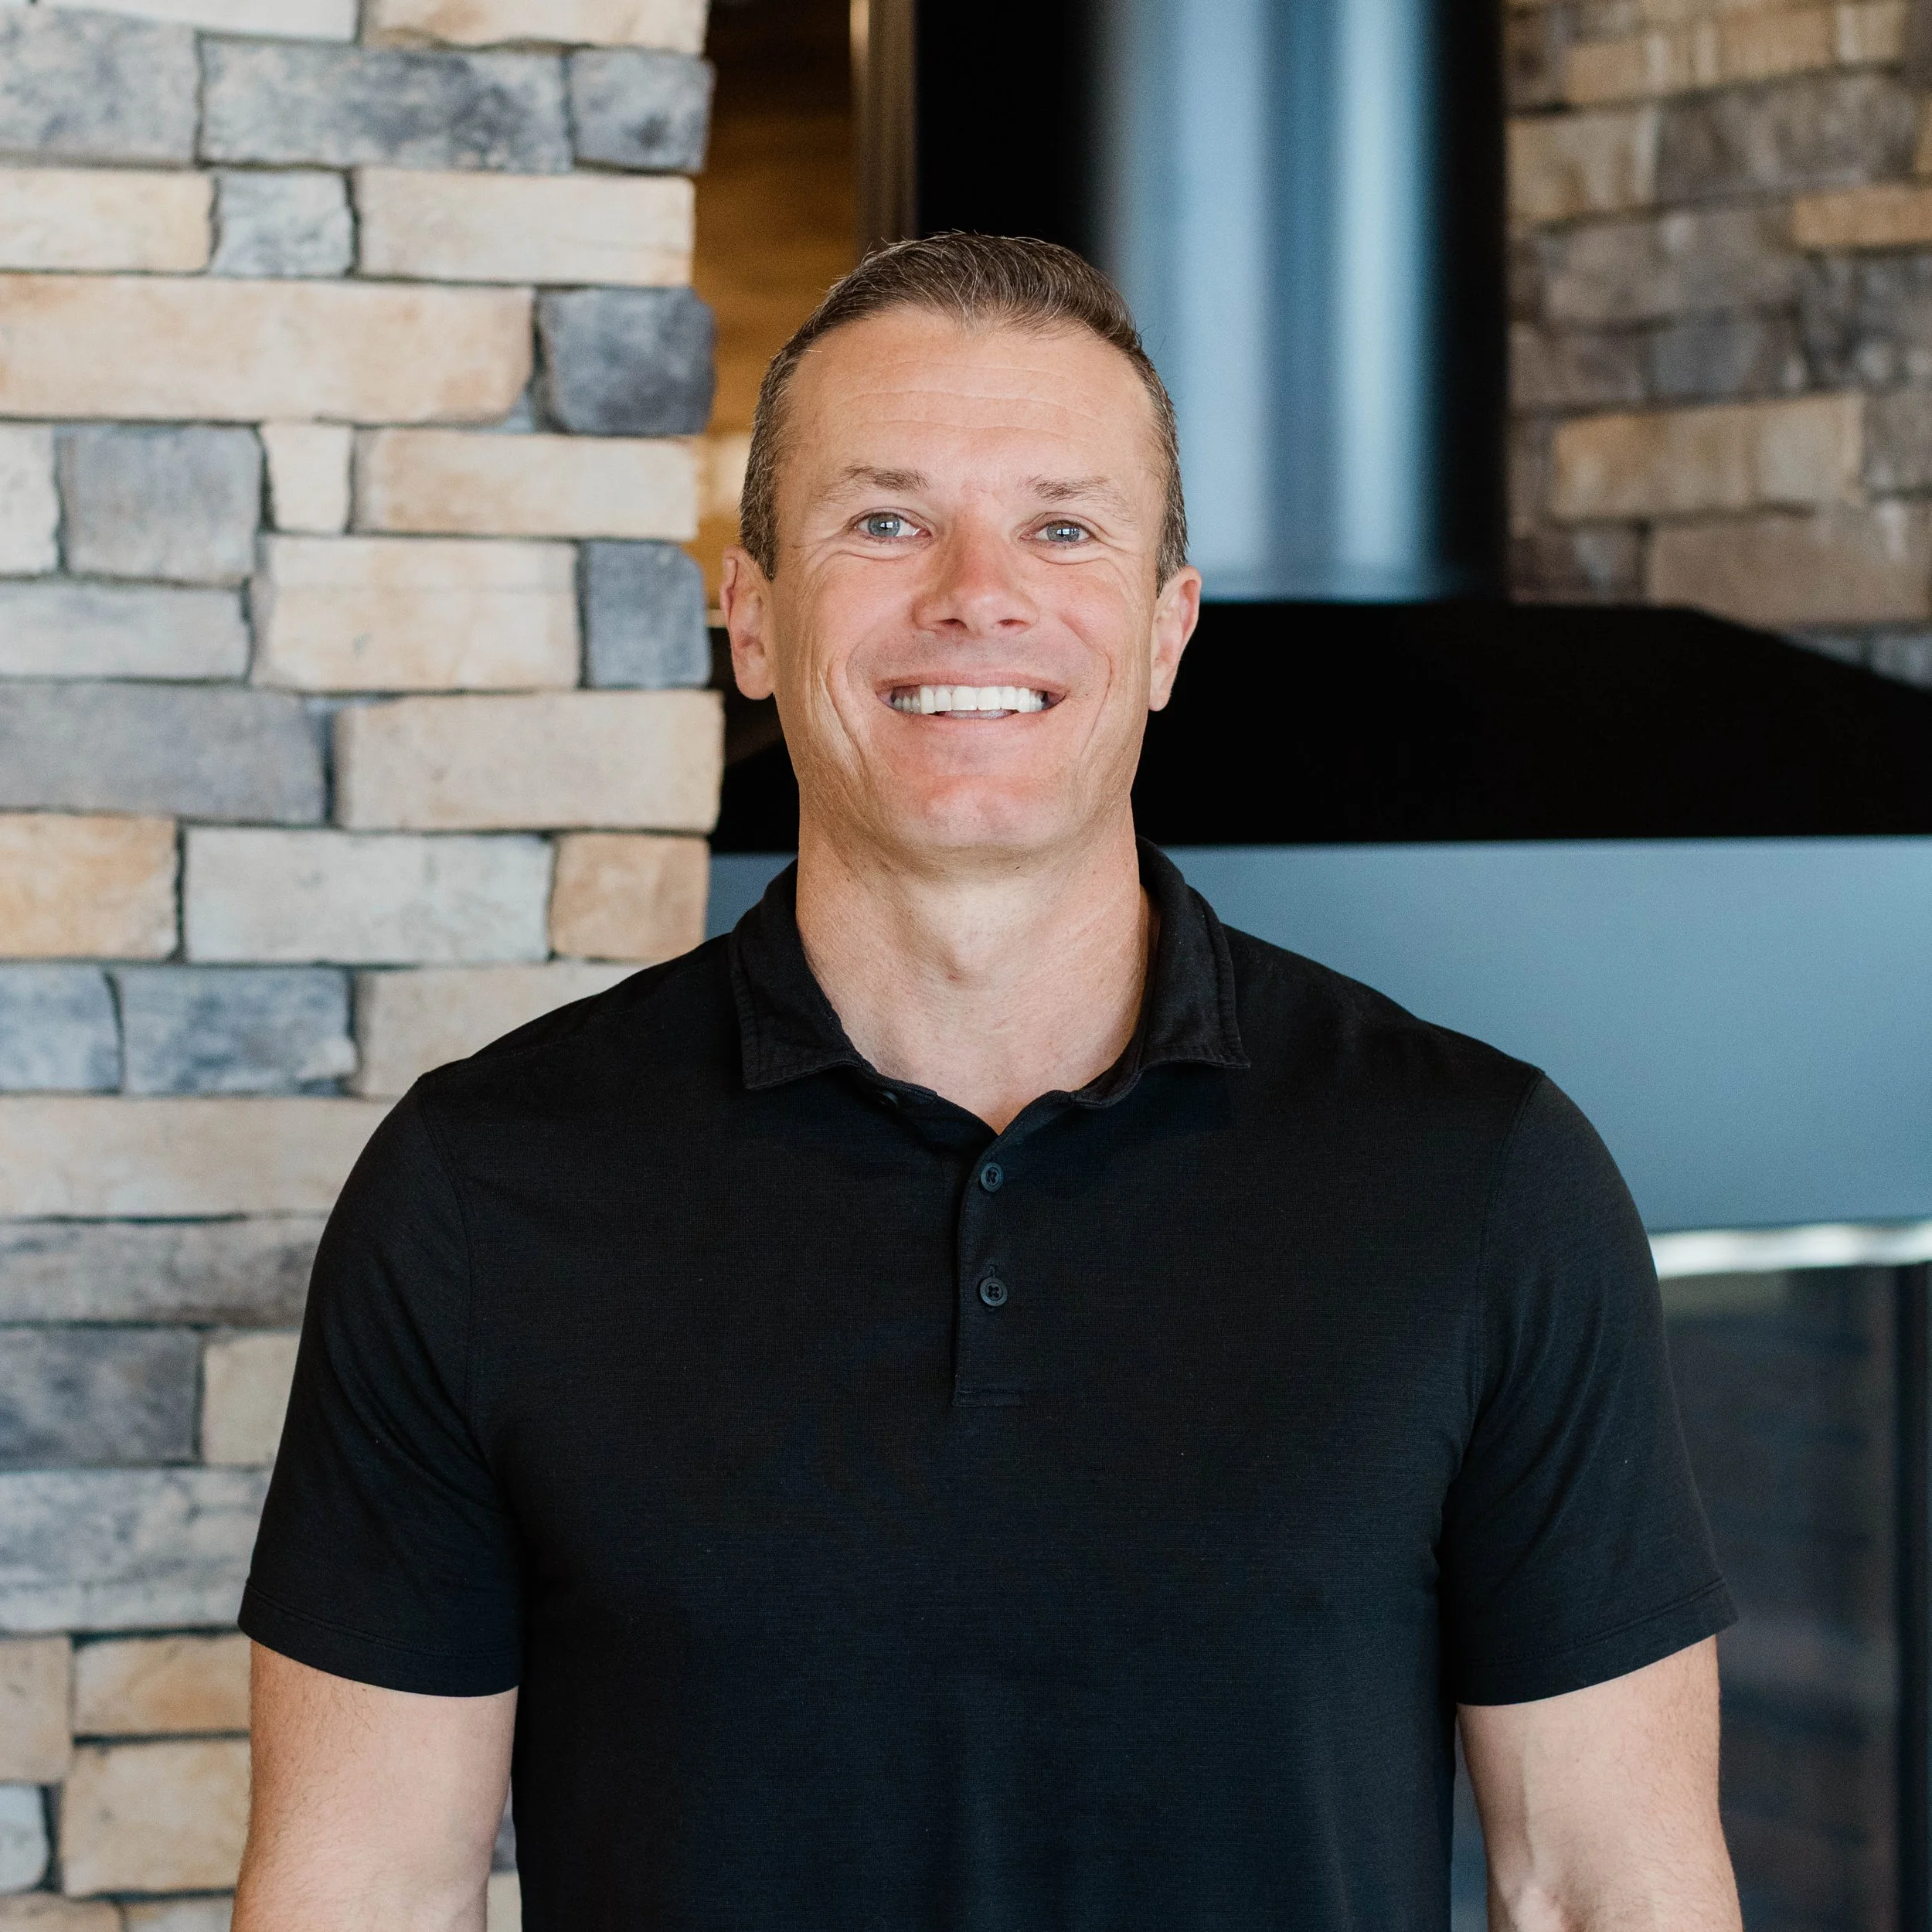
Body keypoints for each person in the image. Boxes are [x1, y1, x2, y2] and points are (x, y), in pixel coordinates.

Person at [233, 233, 1741, 1932]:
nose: (975, 591)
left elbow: (1606, 1886)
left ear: (1166, 631)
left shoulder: (1485, 1178)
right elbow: (364, 1889)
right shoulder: (476, 1187)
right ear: (752, 615)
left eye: (1063, 525)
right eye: (883, 520)